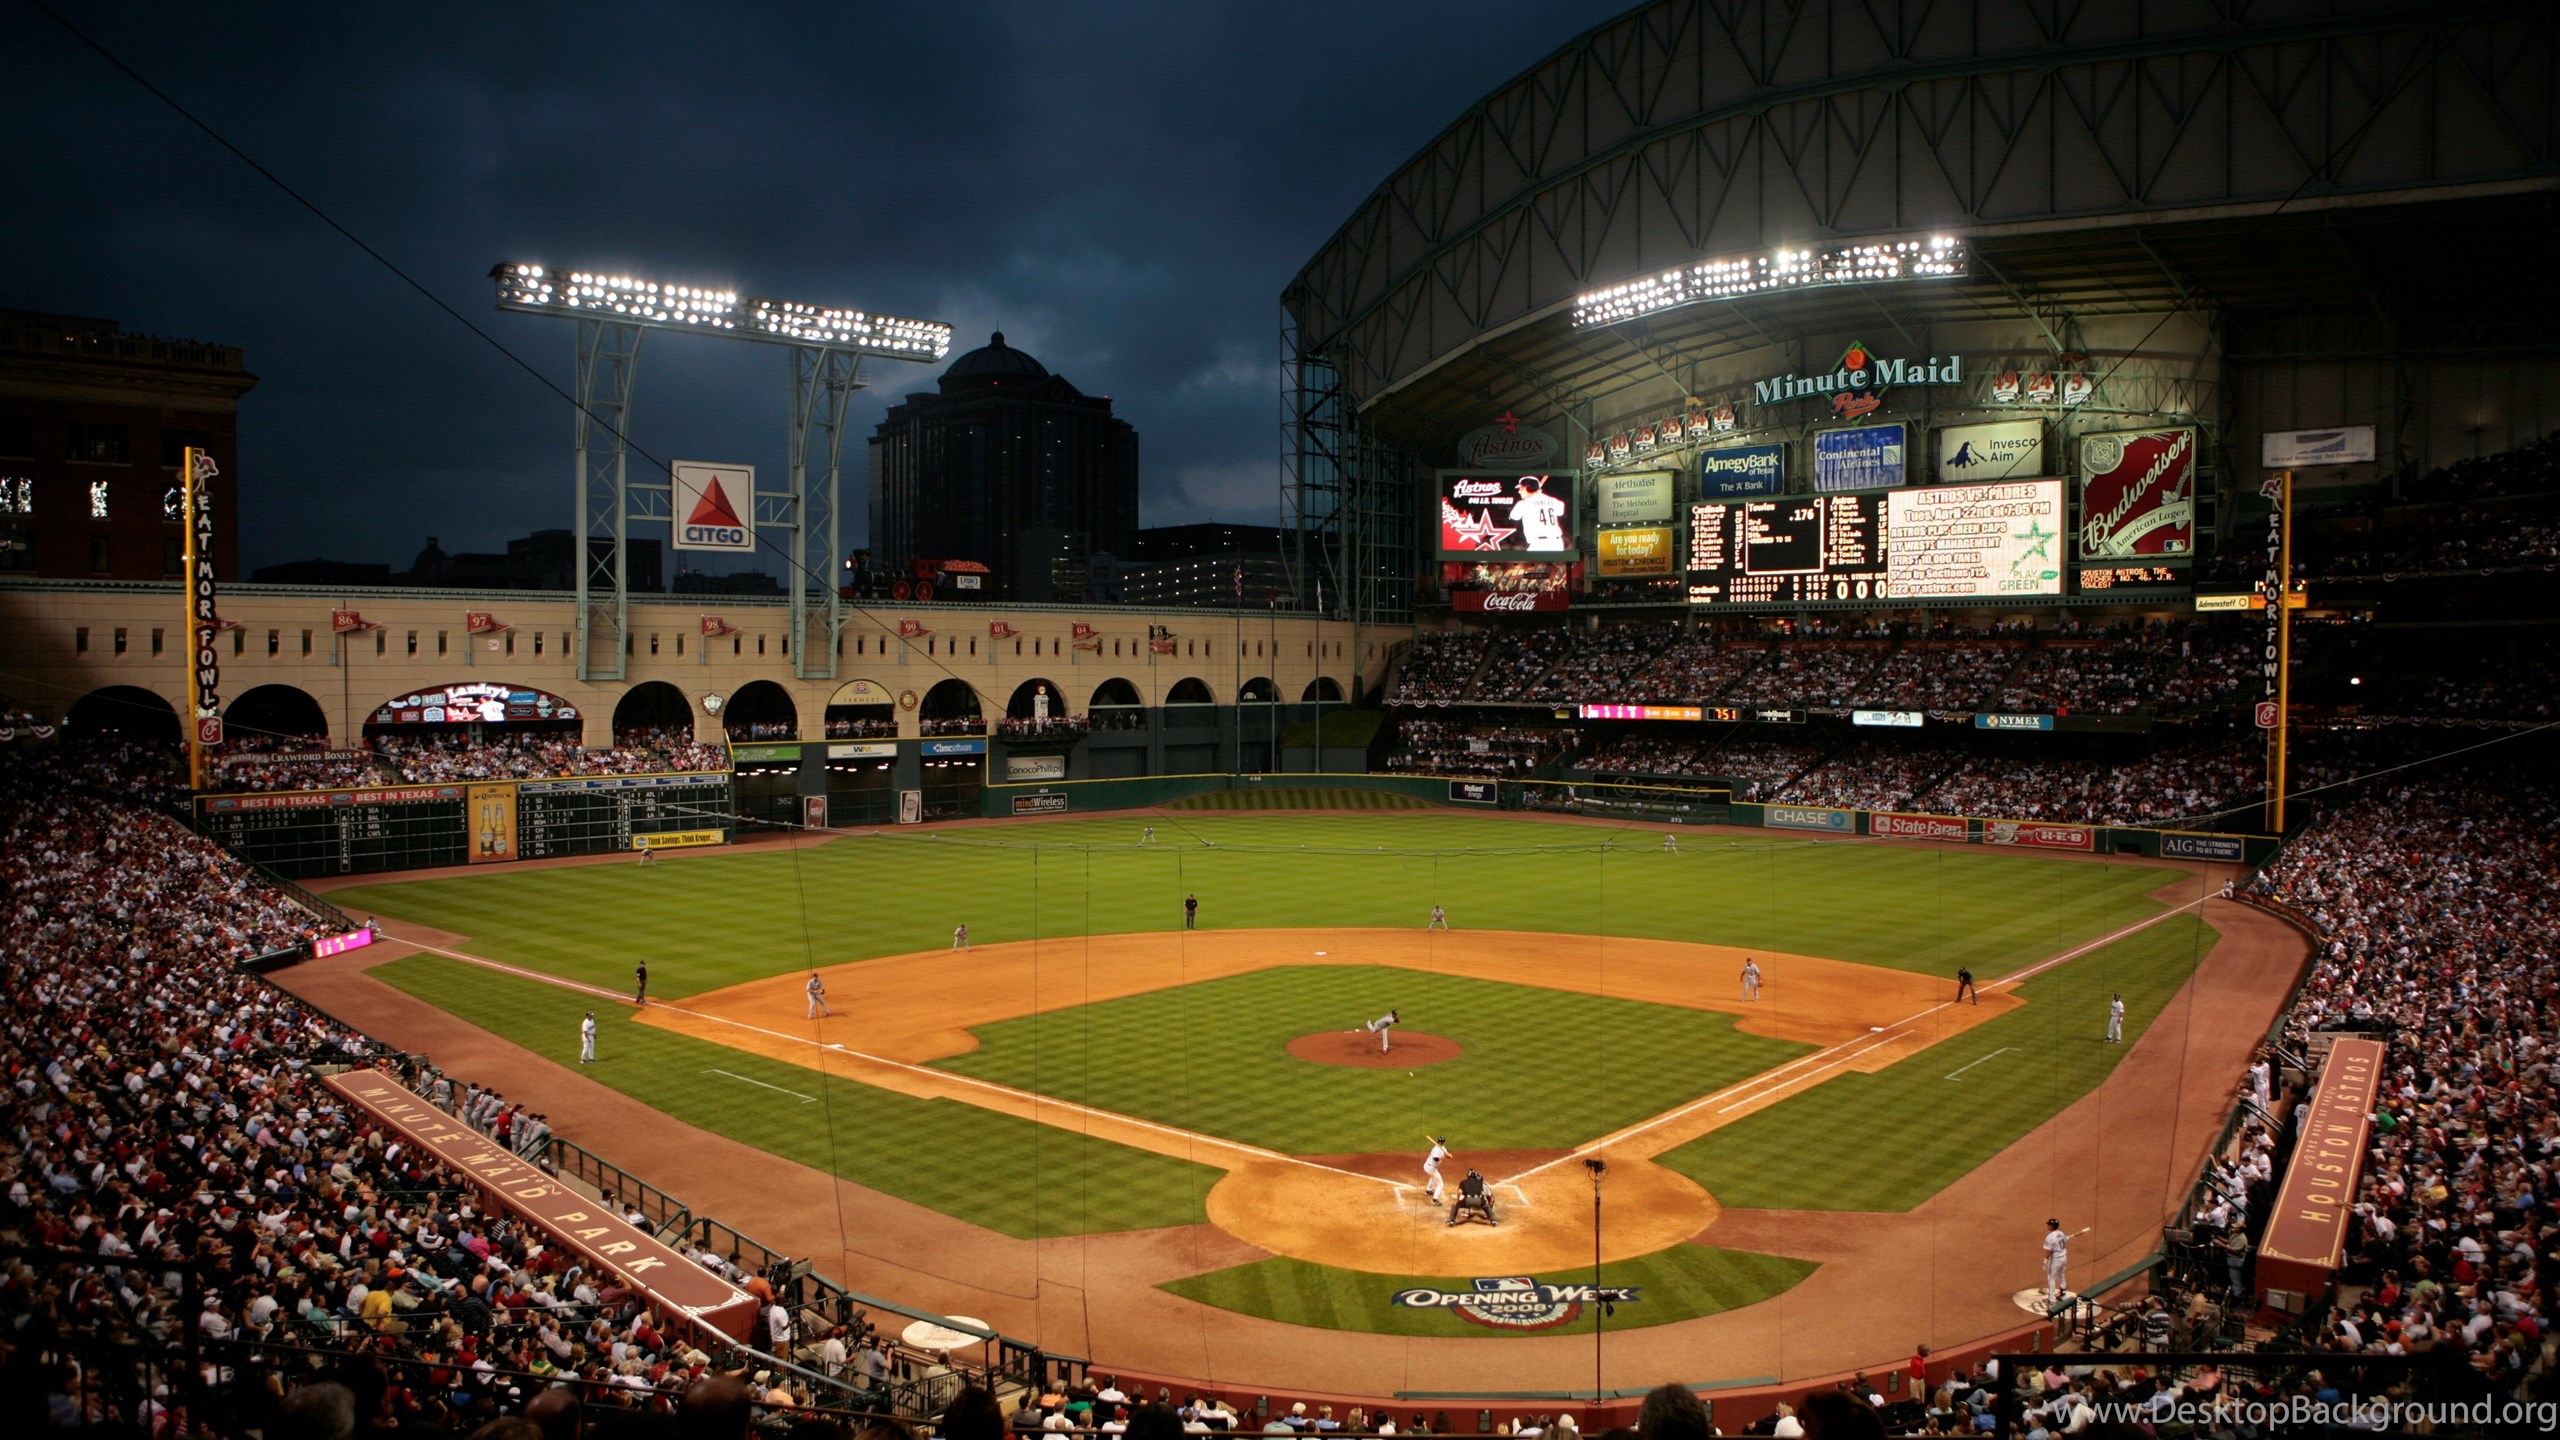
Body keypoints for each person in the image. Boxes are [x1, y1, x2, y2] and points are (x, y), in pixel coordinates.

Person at [1508, 474, 1567, 550]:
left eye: (1521, 488)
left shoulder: (1523, 503)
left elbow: (1514, 517)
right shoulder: (1554, 501)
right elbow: (1560, 511)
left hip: (1539, 544)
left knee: (1526, 562)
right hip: (1557, 544)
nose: (1519, 491)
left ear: (1528, 487)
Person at [2042, 1219, 2070, 1307]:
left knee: (2051, 1277)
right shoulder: (2061, 1233)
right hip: (2064, 1258)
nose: (2047, 1226)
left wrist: (2045, 1261)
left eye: (2049, 1224)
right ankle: (2063, 1294)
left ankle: (2051, 1299)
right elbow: (2064, 1244)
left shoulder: (2049, 1237)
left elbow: (2048, 1251)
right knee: (2061, 1275)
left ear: (2051, 1226)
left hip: (2056, 1260)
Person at [1421, 1135, 1449, 1203]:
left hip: (1430, 1167)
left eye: (1441, 1142)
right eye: (1440, 1142)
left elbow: (1445, 1152)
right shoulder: (1436, 1149)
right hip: (1430, 1167)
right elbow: (1436, 1159)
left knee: (1433, 1177)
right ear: (1439, 1142)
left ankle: (1428, 1190)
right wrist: (1444, 1157)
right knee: (1440, 1184)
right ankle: (1434, 1200)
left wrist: (1448, 1154)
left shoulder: (1442, 1147)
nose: (1440, 1143)